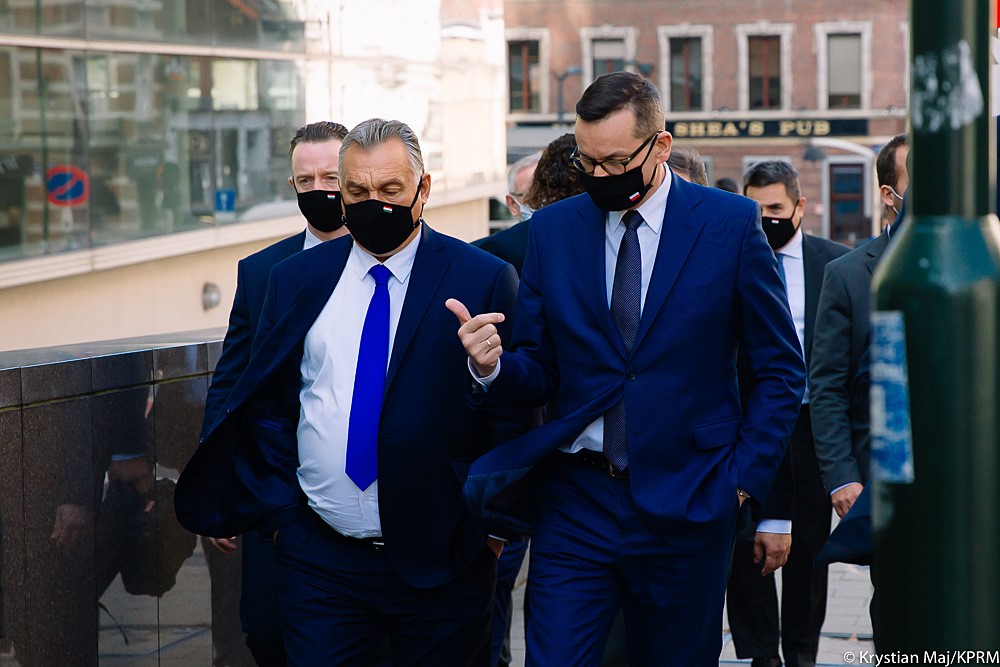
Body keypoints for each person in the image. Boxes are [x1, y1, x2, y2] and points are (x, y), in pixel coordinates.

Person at [448, 71, 805, 665]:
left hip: (692, 497)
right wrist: (491, 368)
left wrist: (740, 483)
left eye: (615, 162)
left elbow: (780, 370)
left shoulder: (730, 224)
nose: (599, 176)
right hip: (576, 500)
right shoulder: (554, 230)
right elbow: (539, 366)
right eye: (587, 162)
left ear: (660, 146)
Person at [176, 117, 523, 665]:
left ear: (423, 189)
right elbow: (269, 403)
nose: (373, 203)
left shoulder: (483, 277)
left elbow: (515, 414)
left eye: (390, 189)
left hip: (445, 560)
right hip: (319, 561)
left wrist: (492, 532)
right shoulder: (295, 279)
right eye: (357, 191)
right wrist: (283, 521)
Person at [200, 120, 350, 665]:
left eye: (331, 178)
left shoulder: (390, 264)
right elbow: (231, 380)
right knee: (265, 629)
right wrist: (217, 486)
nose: (319, 190)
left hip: (365, 490)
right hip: (276, 486)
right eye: (305, 180)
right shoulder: (262, 272)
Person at [726, 161, 849, 667]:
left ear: (799, 206)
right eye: (756, 210)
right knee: (744, 546)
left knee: (810, 550)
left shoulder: (834, 263)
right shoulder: (731, 258)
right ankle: (760, 655)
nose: (766, 220)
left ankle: (801, 653)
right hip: (748, 424)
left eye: (776, 208)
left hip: (811, 426)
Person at [810, 133, 908, 522]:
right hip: (876, 481)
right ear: (889, 194)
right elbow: (827, 384)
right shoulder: (847, 274)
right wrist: (842, 478)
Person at [476, 134, 582, 276]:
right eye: (530, 194)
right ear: (512, 204)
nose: (537, 201)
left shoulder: (600, 237)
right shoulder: (497, 251)